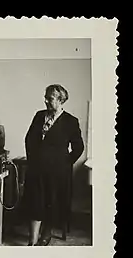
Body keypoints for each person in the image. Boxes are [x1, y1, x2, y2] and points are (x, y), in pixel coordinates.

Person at [23, 84, 84, 246]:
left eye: (50, 98)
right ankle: (32, 240)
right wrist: (32, 161)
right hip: (37, 170)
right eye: (46, 97)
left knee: (52, 203)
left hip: (57, 173)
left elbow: (79, 147)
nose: (46, 101)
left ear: (60, 100)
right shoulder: (39, 115)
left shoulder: (71, 121)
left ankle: (46, 233)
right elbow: (29, 139)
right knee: (35, 202)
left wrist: (64, 164)